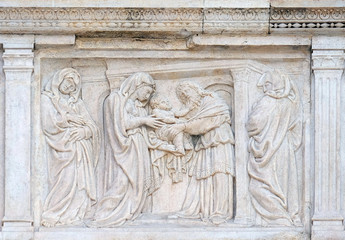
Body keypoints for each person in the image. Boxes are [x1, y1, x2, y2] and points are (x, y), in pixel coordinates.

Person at [91, 72, 164, 227]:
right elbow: (121, 124)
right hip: (126, 146)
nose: (148, 96)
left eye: (150, 93)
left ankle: (132, 211)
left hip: (139, 145)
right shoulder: (116, 99)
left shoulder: (137, 105)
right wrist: (144, 120)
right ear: (137, 85)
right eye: (147, 91)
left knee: (138, 181)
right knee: (123, 180)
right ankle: (106, 213)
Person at [166, 81, 235, 225]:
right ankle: (198, 210)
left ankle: (220, 212)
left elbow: (206, 122)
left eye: (186, 91)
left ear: (195, 89)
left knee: (219, 174)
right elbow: (192, 122)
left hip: (219, 141)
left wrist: (184, 126)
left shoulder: (212, 101)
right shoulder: (195, 108)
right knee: (200, 176)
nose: (185, 95)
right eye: (182, 96)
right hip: (205, 143)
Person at [41, 68, 100, 227]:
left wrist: (84, 131)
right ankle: (55, 213)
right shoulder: (48, 99)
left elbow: (92, 127)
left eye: (74, 85)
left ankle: (76, 215)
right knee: (65, 181)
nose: (70, 87)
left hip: (81, 149)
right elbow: (48, 124)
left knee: (81, 184)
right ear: (59, 80)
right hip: (61, 150)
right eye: (68, 82)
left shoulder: (78, 103)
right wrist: (70, 118)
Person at [247, 70, 302, 226]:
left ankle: (280, 218)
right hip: (285, 148)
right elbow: (297, 129)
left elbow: (253, 124)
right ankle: (291, 215)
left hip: (268, 151)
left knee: (259, 186)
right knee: (285, 186)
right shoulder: (291, 103)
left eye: (267, 84)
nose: (265, 89)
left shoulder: (267, 102)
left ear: (277, 83)